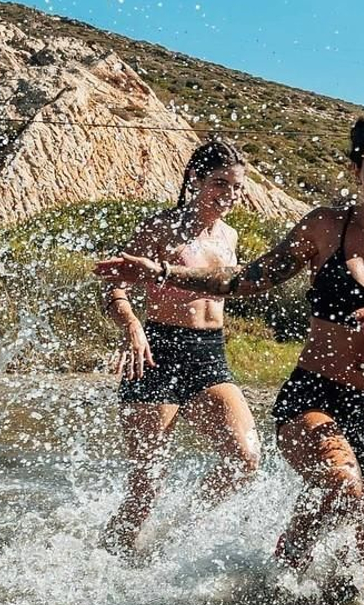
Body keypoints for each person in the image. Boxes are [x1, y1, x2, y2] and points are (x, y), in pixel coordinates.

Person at [95, 115, 364, 598]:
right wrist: (160, 271)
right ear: (357, 171)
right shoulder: (325, 227)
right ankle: (277, 584)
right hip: (315, 393)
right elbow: (243, 281)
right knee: (339, 482)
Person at [100, 139, 262, 556]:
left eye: (236, 187)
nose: (228, 196)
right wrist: (132, 326)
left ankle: (169, 539)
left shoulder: (231, 235)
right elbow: (113, 288)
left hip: (209, 355)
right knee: (146, 486)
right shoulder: (160, 229)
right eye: (219, 184)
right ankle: (108, 562)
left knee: (244, 458)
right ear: (195, 179)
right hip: (157, 353)